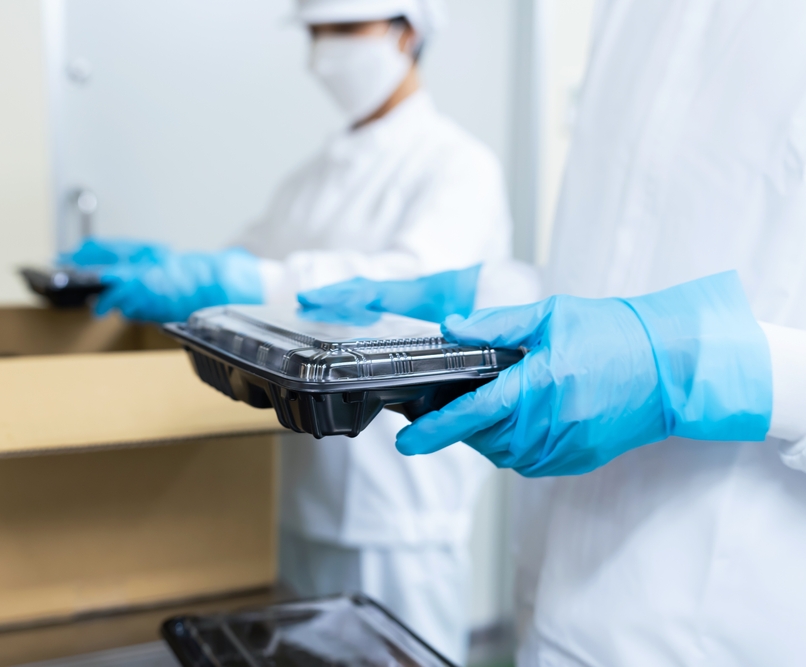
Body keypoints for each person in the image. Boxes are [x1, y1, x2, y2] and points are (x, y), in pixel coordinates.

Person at [299, 0, 806, 663]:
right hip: (555, 603)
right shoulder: (628, 15)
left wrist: (711, 364)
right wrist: (495, 297)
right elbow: (624, 267)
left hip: (734, 626)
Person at [63, 1, 537, 662]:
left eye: (346, 28)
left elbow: (407, 293)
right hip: (299, 489)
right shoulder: (316, 175)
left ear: (409, 30)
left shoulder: (457, 166)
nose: (325, 50)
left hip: (394, 498)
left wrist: (233, 280)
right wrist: (173, 265)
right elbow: (250, 264)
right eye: (317, 31)